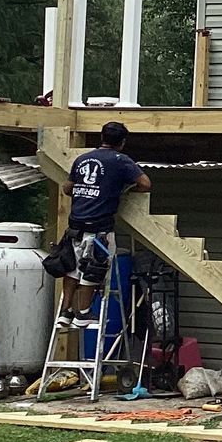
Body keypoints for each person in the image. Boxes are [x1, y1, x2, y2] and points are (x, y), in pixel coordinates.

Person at [51, 121, 151, 320]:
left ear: (102, 137)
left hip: (75, 227)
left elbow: (67, 189)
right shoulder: (121, 160)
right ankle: (84, 312)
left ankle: (66, 310)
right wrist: (124, 190)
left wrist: (88, 192)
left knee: (71, 267)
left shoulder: (82, 159)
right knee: (95, 268)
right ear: (122, 142)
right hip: (100, 228)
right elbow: (145, 184)